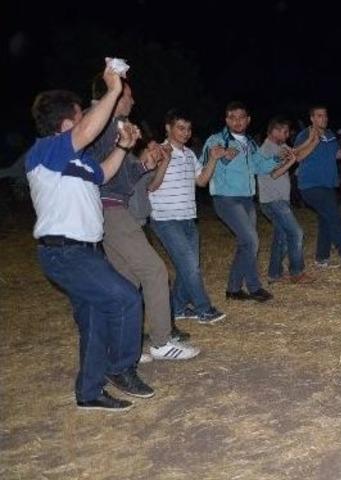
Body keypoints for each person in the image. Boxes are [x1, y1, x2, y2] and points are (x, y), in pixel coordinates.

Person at [25, 64, 153, 411]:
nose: (87, 124)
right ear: (68, 122)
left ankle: (89, 392)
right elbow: (86, 130)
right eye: (81, 117)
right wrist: (113, 90)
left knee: (95, 319)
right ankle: (122, 368)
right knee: (127, 299)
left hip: (85, 252)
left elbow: (104, 173)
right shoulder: (46, 150)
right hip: (65, 252)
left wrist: (124, 147)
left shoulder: (77, 162)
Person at [88, 78, 200, 362]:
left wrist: (144, 165)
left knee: (126, 281)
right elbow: (106, 179)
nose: (133, 101)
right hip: (112, 210)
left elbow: (119, 179)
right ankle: (161, 341)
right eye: (127, 95)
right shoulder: (104, 125)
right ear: (111, 97)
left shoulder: (108, 129)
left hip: (111, 207)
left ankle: (125, 346)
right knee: (155, 271)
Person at [148, 109, 226, 324]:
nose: (186, 133)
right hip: (165, 219)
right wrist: (164, 161)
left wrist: (213, 159)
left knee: (187, 266)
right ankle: (204, 309)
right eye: (180, 128)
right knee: (191, 266)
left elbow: (201, 181)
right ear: (168, 128)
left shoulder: (190, 154)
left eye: (189, 129)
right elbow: (151, 186)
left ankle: (178, 308)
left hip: (188, 218)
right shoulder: (158, 151)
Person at [201, 102, 282, 302]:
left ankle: (236, 289)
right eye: (233, 117)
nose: (237, 121)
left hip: (247, 199)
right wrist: (218, 156)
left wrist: (277, 158)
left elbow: (258, 167)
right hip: (226, 198)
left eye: (241, 117)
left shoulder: (250, 143)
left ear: (248, 120)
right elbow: (203, 166)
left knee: (246, 244)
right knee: (251, 241)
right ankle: (251, 288)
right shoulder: (217, 140)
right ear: (227, 120)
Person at [294, 105, 341, 268]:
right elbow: (297, 157)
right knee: (334, 217)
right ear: (312, 118)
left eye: (325, 115)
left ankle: (321, 258)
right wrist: (313, 141)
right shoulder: (304, 134)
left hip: (328, 184)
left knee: (326, 220)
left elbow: (338, 155)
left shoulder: (330, 134)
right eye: (319, 116)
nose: (323, 118)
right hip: (311, 185)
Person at [256, 116, 314, 283]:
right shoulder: (267, 149)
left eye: (288, 131)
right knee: (296, 233)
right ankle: (297, 272)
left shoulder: (279, 146)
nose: (287, 134)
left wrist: (311, 140)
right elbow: (275, 173)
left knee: (281, 236)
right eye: (284, 131)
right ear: (273, 131)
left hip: (278, 199)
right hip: (273, 200)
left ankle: (274, 274)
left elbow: (296, 152)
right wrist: (291, 162)